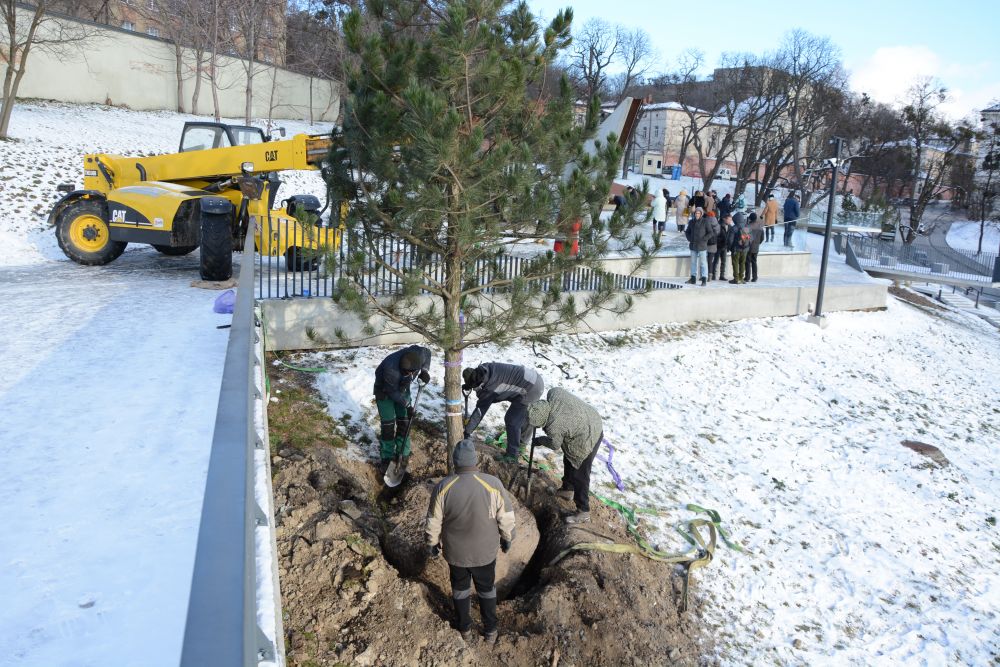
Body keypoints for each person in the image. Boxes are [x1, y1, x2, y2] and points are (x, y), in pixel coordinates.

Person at [425, 439, 515, 644]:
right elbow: (506, 517)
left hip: (456, 553)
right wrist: (507, 538)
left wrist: (431, 542)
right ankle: (490, 630)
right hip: (485, 552)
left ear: (455, 461)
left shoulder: (443, 487)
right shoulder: (492, 484)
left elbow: (433, 520)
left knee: (460, 589)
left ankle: (464, 628)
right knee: (486, 588)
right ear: (475, 460)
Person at [527, 388, 604, 524]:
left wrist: (540, 440)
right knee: (569, 458)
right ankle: (567, 490)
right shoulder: (554, 393)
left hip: (589, 436)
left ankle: (583, 511)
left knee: (579, 474)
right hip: (590, 417)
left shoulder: (554, 426)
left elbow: (555, 444)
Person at [463, 363, 544, 462]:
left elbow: (479, 412)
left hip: (531, 388)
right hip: (533, 378)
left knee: (512, 420)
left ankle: (512, 455)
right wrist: (469, 385)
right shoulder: (485, 369)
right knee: (521, 414)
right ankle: (521, 444)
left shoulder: (491, 388)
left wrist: (467, 432)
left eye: (475, 387)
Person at [373, 345, 432, 471]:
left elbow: (428, 353)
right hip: (384, 390)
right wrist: (408, 405)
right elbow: (392, 392)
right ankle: (386, 458)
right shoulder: (391, 369)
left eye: (412, 372)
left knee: (405, 422)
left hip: (403, 388)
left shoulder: (418, 354)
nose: (411, 374)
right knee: (388, 426)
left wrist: (424, 371)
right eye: (407, 372)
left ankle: (403, 455)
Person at [684, 207, 712, 286]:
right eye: (696, 213)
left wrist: (704, 239)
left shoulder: (705, 221)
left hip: (702, 246)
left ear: (701, 214)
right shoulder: (691, 222)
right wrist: (690, 239)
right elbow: (687, 232)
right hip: (693, 245)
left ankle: (704, 279)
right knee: (693, 263)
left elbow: (710, 233)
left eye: (698, 213)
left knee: (703, 263)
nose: (697, 215)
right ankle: (693, 279)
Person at [727, 212, 752, 284]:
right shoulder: (747, 227)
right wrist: (747, 247)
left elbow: (730, 240)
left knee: (735, 263)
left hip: (736, 249)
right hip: (745, 249)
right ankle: (741, 278)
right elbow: (750, 239)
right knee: (742, 263)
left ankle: (736, 279)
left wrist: (729, 248)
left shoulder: (733, 228)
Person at [744, 211, 764, 283]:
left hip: (748, 246)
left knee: (747, 262)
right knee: (754, 262)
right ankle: (755, 277)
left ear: (750, 218)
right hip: (756, 247)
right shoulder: (760, 227)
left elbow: (744, 237)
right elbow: (762, 238)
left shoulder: (747, 226)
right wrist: (758, 243)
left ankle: (747, 277)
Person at [712, 213, 732, 281]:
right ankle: (713, 275)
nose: (730, 221)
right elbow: (715, 236)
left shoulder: (730, 227)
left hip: (725, 247)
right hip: (718, 246)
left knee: (723, 262)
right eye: (729, 219)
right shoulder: (719, 225)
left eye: (731, 220)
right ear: (725, 219)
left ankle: (722, 275)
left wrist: (728, 245)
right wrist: (722, 240)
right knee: (716, 261)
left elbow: (729, 237)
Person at [704, 211, 721, 280]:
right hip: (714, 244)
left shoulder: (706, 221)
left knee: (704, 260)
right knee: (710, 260)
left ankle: (704, 275)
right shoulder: (717, 223)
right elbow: (718, 233)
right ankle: (711, 275)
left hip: (706, 243)